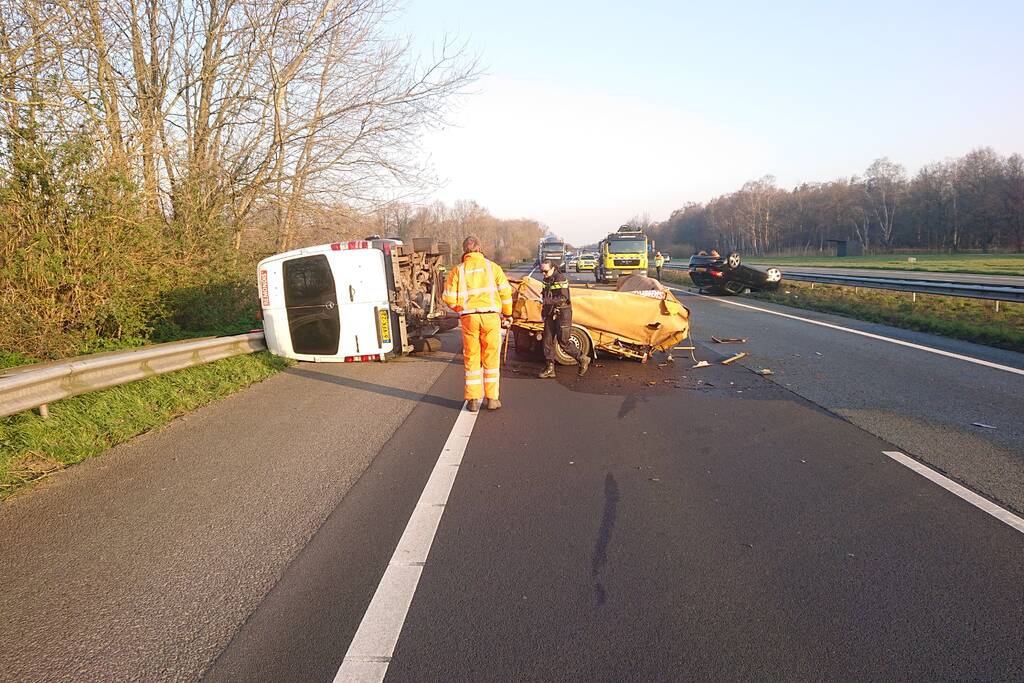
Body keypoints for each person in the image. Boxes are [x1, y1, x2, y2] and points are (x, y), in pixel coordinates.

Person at [442, 236, 514, 412]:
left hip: (469, 318)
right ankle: (492, 399)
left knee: (472, 356)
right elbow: (505, 293)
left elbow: (448, 298)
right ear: (480, 248)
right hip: (490, 317)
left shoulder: (458, 270)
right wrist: (508, 314)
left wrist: (462, 308)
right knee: (491, 356)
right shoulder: (493, 268)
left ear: (464, 250)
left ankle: (473, 400)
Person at [537, 259, 591, 379]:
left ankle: (582, 358)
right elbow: (545, 295)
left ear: (553, 268)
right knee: (547, 341)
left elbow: (563, 297)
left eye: (545, 271)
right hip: (551, 313)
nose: (543, 274)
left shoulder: (560, 279)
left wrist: (545, 301)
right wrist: (544, 312)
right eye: (541, 271)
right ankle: (550, 368)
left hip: (563, 313)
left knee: (563, 342)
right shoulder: (546, 279)